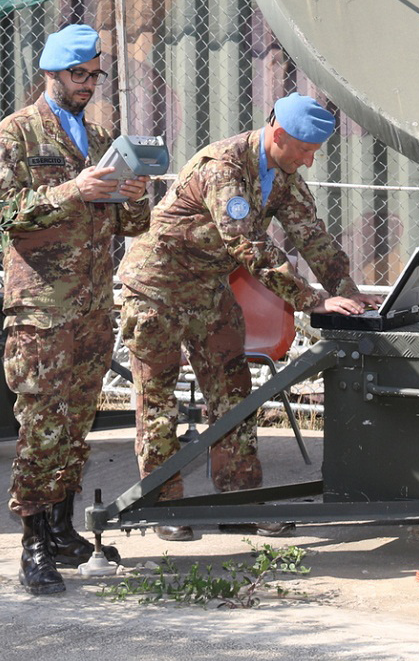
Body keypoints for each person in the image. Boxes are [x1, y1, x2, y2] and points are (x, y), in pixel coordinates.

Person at [118, 93, 376, 541]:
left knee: (233, 391)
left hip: (208, 288)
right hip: (155, 289)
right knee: (158, 398)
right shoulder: (224, 167)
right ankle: (162, 506)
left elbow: (311, 235)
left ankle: (238, 499)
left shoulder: (283, 172)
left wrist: (347, 295)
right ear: (278, 135)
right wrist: (310, 300)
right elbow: (249, 246)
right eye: (305, 151)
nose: (311, 162)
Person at [0, 24, 151, 595]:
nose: (88, 85)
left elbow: (131, 225)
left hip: (92, 306)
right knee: (41, 425)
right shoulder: (16, 135)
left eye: (95, 76)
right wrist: (73, 189)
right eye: (79, 75)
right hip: (42, 311)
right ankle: (32, 543)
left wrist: (131, 197)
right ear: (50, 73)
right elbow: (2, 214)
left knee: (78, 422)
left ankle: (59, 527)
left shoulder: (101, 134)